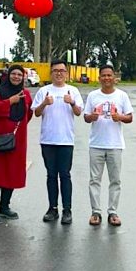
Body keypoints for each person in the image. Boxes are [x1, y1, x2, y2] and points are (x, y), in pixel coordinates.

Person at [32, 59, 84, 225]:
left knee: (65, 175)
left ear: (66, 73)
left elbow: (78, 113)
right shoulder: (44, 91)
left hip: (66, 141)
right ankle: (52, 208)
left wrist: (72, 102)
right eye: (55, 71)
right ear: (51, 73)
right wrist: (44, 103)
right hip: (48, 140)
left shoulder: (73, 90)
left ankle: (67, 210)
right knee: (51, 175)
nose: (59, 73)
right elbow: (37, 113)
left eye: (62, 70)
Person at [83, 64, 133, 227]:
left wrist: (120, 117)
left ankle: (113, 212)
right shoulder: (93, 96)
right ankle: (96, 212)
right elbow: (86, 117)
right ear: (99, 78)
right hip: (96, 144)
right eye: (103, 76)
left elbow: (130, 117)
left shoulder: (122, 96)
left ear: (114, 78)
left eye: (109, 75)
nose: (106, 78)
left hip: (115, 145)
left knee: (115, 180)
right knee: (94, 180)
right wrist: (92, 116)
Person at [0, 64, 33, 224]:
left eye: (20, 74)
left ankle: (5, 207)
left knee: (11, 172)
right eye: (14, 74)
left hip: (17, 140)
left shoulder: (25, 94)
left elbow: (28, 113)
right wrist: (9, 102)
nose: (16, 77)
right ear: (8, 75)